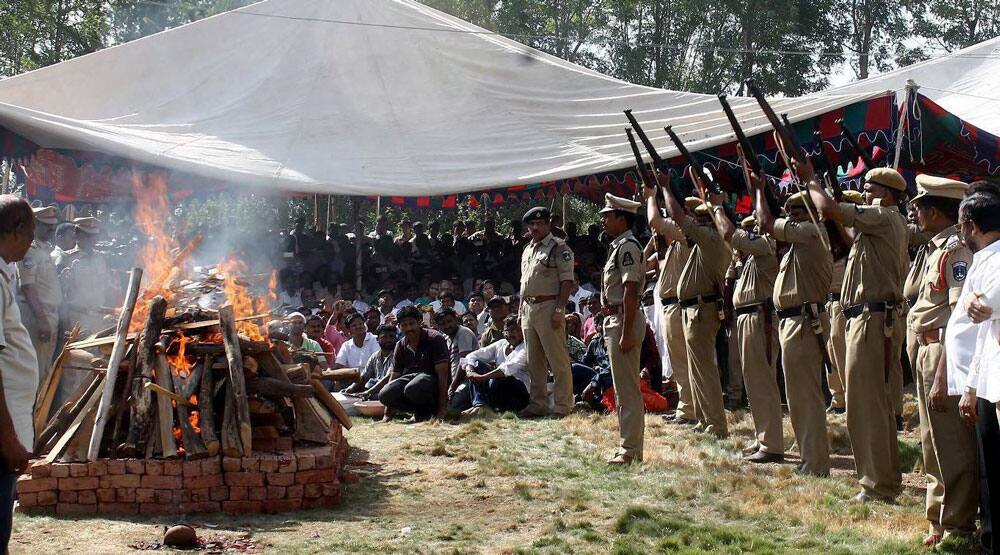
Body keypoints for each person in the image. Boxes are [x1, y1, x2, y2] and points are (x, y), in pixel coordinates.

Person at [806, 161, 909, 501]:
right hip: (868, 318)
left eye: (872, 188)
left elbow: (829, 208)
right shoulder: (881, 223)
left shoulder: (882, 216)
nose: (866, 191)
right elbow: (847, 233)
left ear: (889, 195)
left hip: (872, 319)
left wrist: (811, 179)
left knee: (866, 404)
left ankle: (877, 484)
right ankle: (882, 479)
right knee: (868, 403)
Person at [905, 175, 976, 546]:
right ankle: (938, 519)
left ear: (934, 211)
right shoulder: (934, 248)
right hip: (925, 349)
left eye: (918, 207)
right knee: (931, 440)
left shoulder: (955, 251)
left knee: (951, 443)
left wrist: (943, 375)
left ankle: (959, 523)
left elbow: (957, 316)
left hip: (942, 352)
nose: (913, 213)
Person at [708, 189, 782, 463]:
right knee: (753, 382)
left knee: (762, 381)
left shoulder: (766, 244)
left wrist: (717, 208)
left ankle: (772, 443)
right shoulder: (751, 254)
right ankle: (764, 436)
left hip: (761, 317)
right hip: (749, 317)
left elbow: (729, 234)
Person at [951, 190, 1000, 554]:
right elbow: (982, 332)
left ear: (972, 225)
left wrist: (970, 299)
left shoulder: (996, 260)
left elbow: (981, 311)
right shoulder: (983, 259)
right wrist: (970, 384)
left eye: (962, 221)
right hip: (987, 378)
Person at [661, 183, 732, 438]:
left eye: (702, 217)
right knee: (697, 369)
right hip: (696, 310)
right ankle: (705, 419)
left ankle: (715, 424)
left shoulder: (711, 239)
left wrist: (666, 188)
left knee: (705, 370)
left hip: (703, 309)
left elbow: (679, 218)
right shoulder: (704, 241)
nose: (696, 222)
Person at [0, 195, 38, 554]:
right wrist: (8, 438)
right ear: (16, 231)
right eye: (31, 235)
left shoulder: (5, 270)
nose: (31, 244)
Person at [598, 193, 646, 464]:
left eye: (608, 216)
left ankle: (631, 450)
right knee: (623, 388)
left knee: (627, 390)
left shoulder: (627, 246)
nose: (604, 220)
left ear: (621, 218)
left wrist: (627, 332)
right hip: (616, 318)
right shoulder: (619, 246)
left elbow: (629, 292)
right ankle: (627, 446)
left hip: (623, 319)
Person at [518, 206, 575, 418]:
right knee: (534, 360)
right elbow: (524, 282)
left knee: (557, 359)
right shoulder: (528, 249)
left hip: (549, 305)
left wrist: (560, 309)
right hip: (528, 308)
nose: (535, 228)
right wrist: (519, 309)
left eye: (539, 223)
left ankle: (563, 405)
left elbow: (567, 281)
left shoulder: (559, 248)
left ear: (548, 224)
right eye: (532, 224)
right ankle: (538, 403)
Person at [645, 180, 695, 425]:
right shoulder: (674, 243)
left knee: (685, 361)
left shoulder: (685, 236)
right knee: (678, 361)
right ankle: (688, 407)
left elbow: (655, 221)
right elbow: (646, 258)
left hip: (679, 304)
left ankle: (691, 409)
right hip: (670, 306)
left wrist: (651, 197)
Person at [827, 189, 864, 414]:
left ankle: (852, 401)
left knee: (846, 353)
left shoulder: (858, 232)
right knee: (833, 352)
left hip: (847, 301)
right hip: (830, 300)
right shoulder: (833, 233)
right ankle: (839, 399)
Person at [378, 306, 450, 422]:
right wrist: (387, 413)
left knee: (413, 387)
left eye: (412, 324)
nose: (408, 328)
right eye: (404, 325)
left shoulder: (435, 338)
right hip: (413, 381)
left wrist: (443, 408)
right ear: (399, 327)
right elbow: (394, 375)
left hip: (432, 383)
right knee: (385, 394)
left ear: (420, 322)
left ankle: (433, 410)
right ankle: (419, 412)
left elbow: (443, 375)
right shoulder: (400, 345)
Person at [16, 206, 62, 385]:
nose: (51, 229)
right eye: (47, 225)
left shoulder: (44, 250)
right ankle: (33, 412)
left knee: (44, 370)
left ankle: (38, 411)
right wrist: (42, 320)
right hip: (37, 315)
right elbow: (28, 287)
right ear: (35, 225)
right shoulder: (28, 250)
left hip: (49, 314)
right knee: (35, 370)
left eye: (53, 225)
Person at [459, 315, 530, 415]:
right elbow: (472, 355)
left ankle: (486, 406)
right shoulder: (501, 343)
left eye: (513, 330)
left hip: (520, 390)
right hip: (499, 387)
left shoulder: (526, 347)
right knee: (477, 364)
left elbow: (509, 368)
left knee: (502, 376)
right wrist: (470, 372)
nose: (509, 334)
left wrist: (483, 377)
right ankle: (480, 405)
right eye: (506, 331)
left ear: (522, 330)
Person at [437, 308, 479, 409]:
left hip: (468, 380)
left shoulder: (464, 332)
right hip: (455, 382)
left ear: (456, 320)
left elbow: (464, 362)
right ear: (438, 326)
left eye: (449, 321)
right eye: (442, 324)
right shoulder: (446, 339)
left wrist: (452, 386)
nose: (447, 326)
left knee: (450, 408)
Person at [349, 324, 399, 398]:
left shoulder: (398, 355)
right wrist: (350, 388)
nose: (388, 340)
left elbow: (388, 378)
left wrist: (368, 392)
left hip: (390, 392)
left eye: (391, 337)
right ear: (377, 339)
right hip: (375, 391)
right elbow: (364, 377)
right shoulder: (374, 356)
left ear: (396, 338)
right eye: (384, 337)